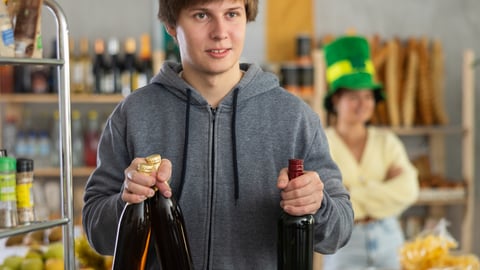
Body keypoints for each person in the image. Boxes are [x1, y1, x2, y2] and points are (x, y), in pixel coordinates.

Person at [82, 0, 354, 269]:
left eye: (232, 14)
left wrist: (317, 205)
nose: (220, 32)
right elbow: (98, 235)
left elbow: (337, 233)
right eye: (201, 15)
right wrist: (126, 204)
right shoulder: (133, 114)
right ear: (171, 24)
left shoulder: (295, 117)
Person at [321, 35, 419, 270]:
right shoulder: (321, 143)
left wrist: (348, 194)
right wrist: (384, 188)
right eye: (353, 96)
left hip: (389, 238)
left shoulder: (387, 142)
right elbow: (321, 205)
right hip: (343, 241)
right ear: (336, 100)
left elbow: (409, 189)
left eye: (368, 96)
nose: (362, 104)